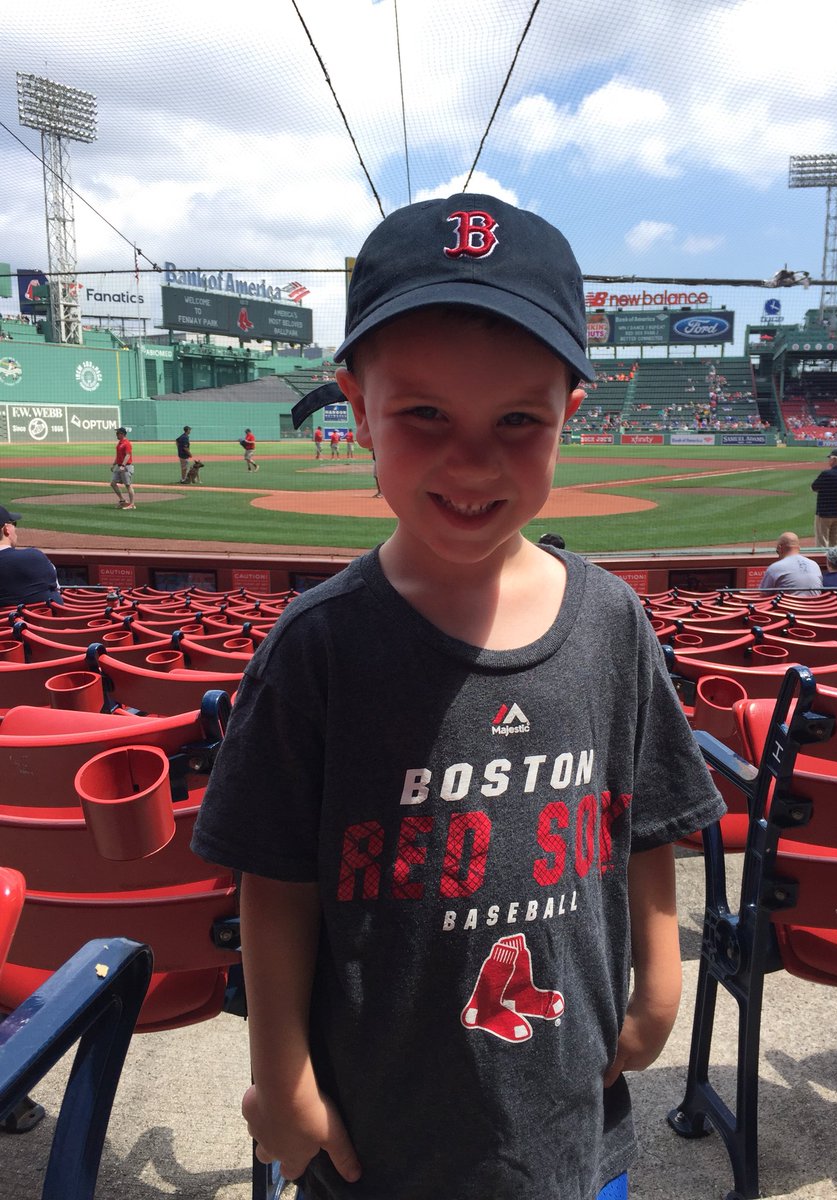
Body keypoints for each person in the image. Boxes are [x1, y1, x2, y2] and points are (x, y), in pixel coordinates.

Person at [191, 192, 725, 1200]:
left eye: (517, 419)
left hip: (574, 1121)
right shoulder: (320, 647)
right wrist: (280, 1073)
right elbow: (275, 884)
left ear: (570, 414)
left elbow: (647, 820)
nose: (472, 459)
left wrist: (661, 980)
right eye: (424, 413)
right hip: (376, 1135)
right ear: (357, 407)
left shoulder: (613, 622)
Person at [0, 504, 63, 607]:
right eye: (14, 524)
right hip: (38, 622)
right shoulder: (34, 558)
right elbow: (57, 595)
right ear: (6, 529)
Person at [758, 531, 823, 595]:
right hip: (814, 605)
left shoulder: (775, 567)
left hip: (788, 605)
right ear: (799, 547)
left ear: (780, 548)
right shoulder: (814, 565)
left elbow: (763, 595)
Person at [810, 451, 837, 546]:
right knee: (836, 543)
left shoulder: (826, 474)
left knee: (822, 542)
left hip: (825, 512)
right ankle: (836, 560)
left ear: (835, 459)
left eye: (830, 458)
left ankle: (822, 560)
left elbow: (814, 487)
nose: (829, 460)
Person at [110, 427, 136, 510]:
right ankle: (122, 500)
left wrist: (123, 465)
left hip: (126, 467)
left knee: (128, 485)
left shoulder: (126, 443)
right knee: (113, 483)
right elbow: (118, 456)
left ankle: (132, 504)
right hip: (119, 466)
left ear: (122, 434)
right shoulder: (120, 443)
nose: (116, 434)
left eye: (118, 433)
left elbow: (128, 455)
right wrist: (114, 464)